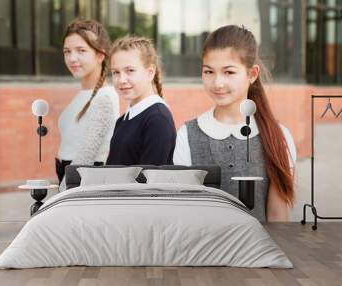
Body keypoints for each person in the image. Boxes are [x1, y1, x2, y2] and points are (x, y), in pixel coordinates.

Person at [173, 25, 296, 222]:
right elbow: (185, 215)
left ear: (252, 74)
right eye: (209, 72)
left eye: (229, 72)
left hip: (258, 251)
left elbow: (278, 219)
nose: (217, 83)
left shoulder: (277, 136)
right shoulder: (187, 135)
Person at [56, 19, 119, 189]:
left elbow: (86, 155)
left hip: (82, 182)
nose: (72, 58)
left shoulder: (104, 97)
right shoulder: (82, 95)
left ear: (100, 55)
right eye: (67, 51)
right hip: (71, 179)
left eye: (81, 51)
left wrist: (63, 192)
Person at [106, 36, 176, 165]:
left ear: (150, 72)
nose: (121, 79)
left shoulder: (158, 119)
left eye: (130, 70)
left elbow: (149, 180)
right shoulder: (122, 120)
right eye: (116, 72)